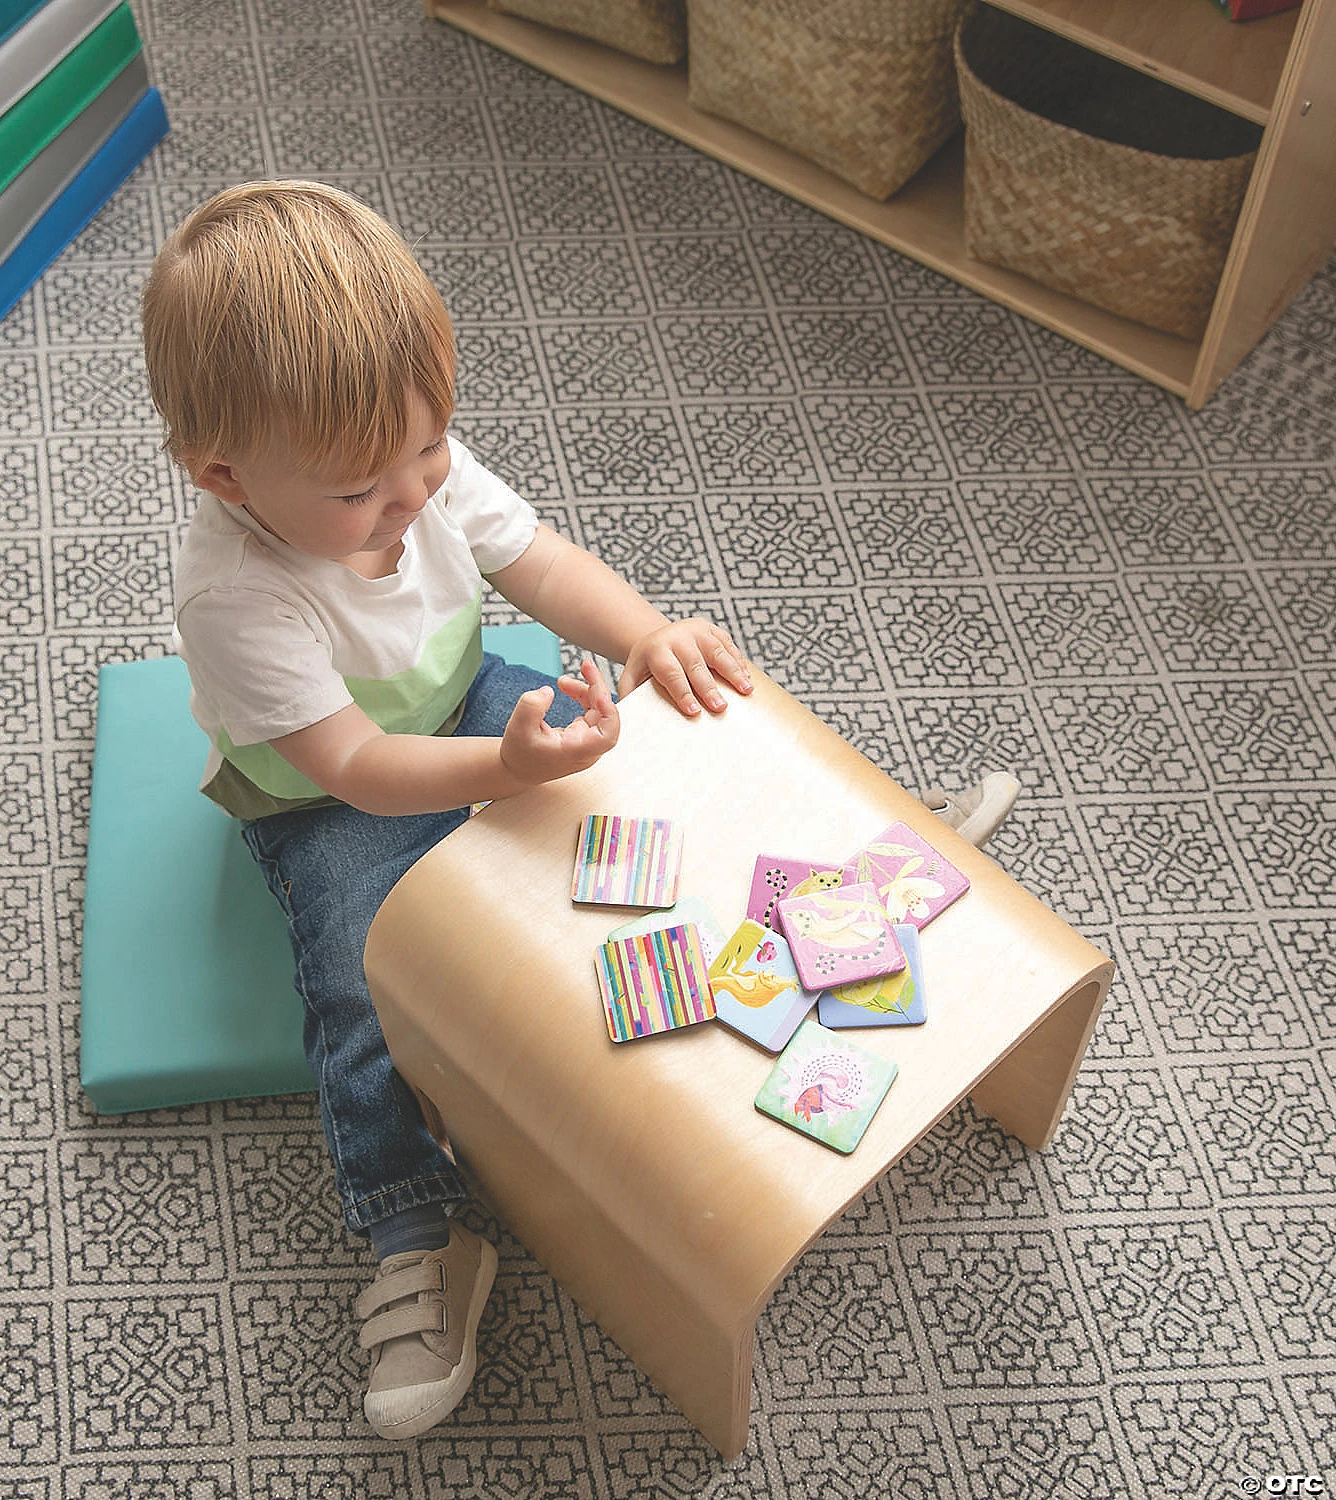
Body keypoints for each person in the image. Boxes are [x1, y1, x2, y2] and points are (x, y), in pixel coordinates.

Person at [140, 179, 1017, 1441]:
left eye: (430, 452)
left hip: (469, 704)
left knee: (653, 773)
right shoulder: (231, 593)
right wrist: (506, 773)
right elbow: (356, 766)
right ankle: (412, 1233)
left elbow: (538, 563)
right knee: (359, 984)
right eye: (362, 491)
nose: (412, 496)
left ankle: (858, 872)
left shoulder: (403, 459)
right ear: (224, 475)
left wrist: (647, 638)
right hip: (323, 798)